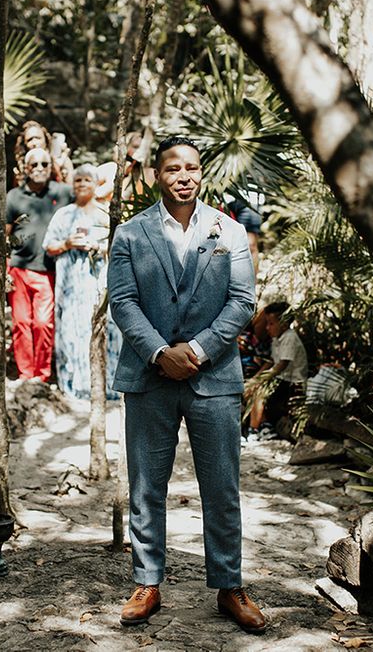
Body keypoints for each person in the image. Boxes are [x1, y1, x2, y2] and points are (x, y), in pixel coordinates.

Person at [107, 136, 266, 633]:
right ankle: (147, 582)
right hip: (148, 376)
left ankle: (229, 586)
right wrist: (160, 352)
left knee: (221, 487)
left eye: (192, 167)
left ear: (202, 174)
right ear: (158, 175)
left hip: (213, 377)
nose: (183, 176)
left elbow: (242, 301)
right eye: (173, 167)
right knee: (146, 486)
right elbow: (123, 302)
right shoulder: (130, 234)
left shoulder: (231, 232)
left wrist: (195, 352)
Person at [42, 164, 121, 399]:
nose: (83, 184)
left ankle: (107, 385)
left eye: (88, 180)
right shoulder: (64, 214)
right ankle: (74, 384)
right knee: (72, 330)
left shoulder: (105, 213)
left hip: (99, 283)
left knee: (102, 329)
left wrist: (97, 247)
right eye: (78, 180)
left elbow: (119, 247)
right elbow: (49, 246)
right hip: (71, 286)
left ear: (96, 184)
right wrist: (67, 244)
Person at [6, 148, 72, 381]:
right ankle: (25, 374)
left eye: (45, 164)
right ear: (26, 168)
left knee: (43, 323)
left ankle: (42, 375)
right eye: (34, 165)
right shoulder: (14, 196)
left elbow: (89, 191)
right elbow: (6, 232)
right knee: (21, 323)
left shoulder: (63, 192)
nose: (39, 169)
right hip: (19, 267)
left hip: (47, 269)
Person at [246, 301, 308, 441]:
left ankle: (254, 429)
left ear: (284, 323)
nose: (267, 328)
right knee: (252, 386)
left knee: (259, 392)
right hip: (281, 379)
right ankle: (263, 425)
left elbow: (282, 365)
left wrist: (261, 380)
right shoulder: (277, 338)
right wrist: (254, 378)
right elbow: (271, 361)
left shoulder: (290, 337)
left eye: (271, 324)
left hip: (292, 383)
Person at [13, 120, 74, 186]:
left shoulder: (63, 161)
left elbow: (70, 189)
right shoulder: (21, 167)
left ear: (45, 140)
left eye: (38, 138)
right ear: (25, 144)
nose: (34, 143)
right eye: (30, 140)